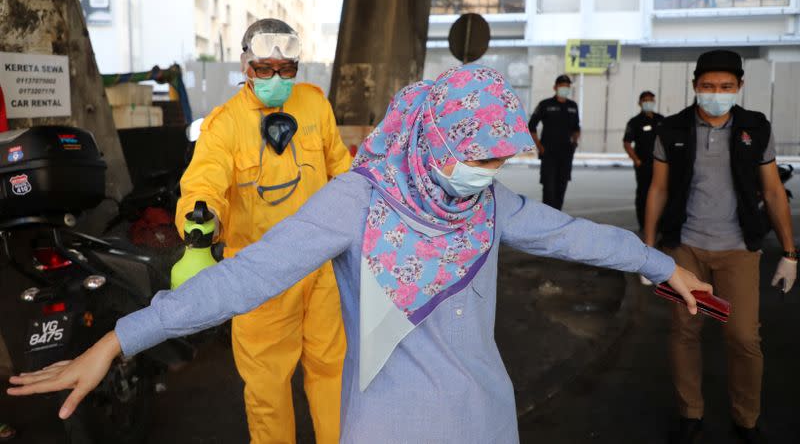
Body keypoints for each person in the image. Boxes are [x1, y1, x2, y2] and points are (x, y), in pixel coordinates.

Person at [8, 64, 710, 444]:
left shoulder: (487, 203)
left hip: (487, 421)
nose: (486, 170)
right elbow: (246, 276)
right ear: (435, 138)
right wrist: (122, 339)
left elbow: (575, 234)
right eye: (477, 155)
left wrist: (663, 264)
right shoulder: (360, 201)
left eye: (497, 157)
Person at [175, 18, 352, 443]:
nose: (276, 77)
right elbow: (204, 184)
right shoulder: (225, 126)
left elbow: (342, 169)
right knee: (268, 390)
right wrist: (201, 220)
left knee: (335, 377)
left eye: (286, 69)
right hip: (261, 276)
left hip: (323, 267)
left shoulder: (314, 105)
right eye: (265, 68)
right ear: (246, 66)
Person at [644, 50, 797, 444]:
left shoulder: (755, 128)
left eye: (726, 87)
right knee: (684, 331)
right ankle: (690, 414)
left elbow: (773, 191)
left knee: (744, 336)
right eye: (708, 86)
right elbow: (658, 189)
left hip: (738, 250)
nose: (716, 93)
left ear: (739, 87)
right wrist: (647, 250)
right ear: (695, 85)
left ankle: (746, 419)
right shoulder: (673, 129)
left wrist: (790, 252)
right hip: (686, 249)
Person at [623, 90, 664, 285]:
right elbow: (627, 142)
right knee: (644, 195)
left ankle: (659, 225)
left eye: (651, 100)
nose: (649, 103)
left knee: (662, 195)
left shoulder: (662, 120)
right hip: (644, 166)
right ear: (640, 102)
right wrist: (637, 160)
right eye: (645, 100)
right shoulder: (635, 122)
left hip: (661, 166)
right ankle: (644, 225)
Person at [528, 74, 580, 210]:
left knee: (561, 188)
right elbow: (531, 126)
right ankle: (548, 220)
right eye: (562, 86)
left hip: (566, 154)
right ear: (555, 87)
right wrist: (539, 146)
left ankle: (558, 218)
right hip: (549, 154)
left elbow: (576, 128)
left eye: (567, 86)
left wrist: (575, 142)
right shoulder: (545, 105)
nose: (564, 89)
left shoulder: (573, 106)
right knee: (549, 190)